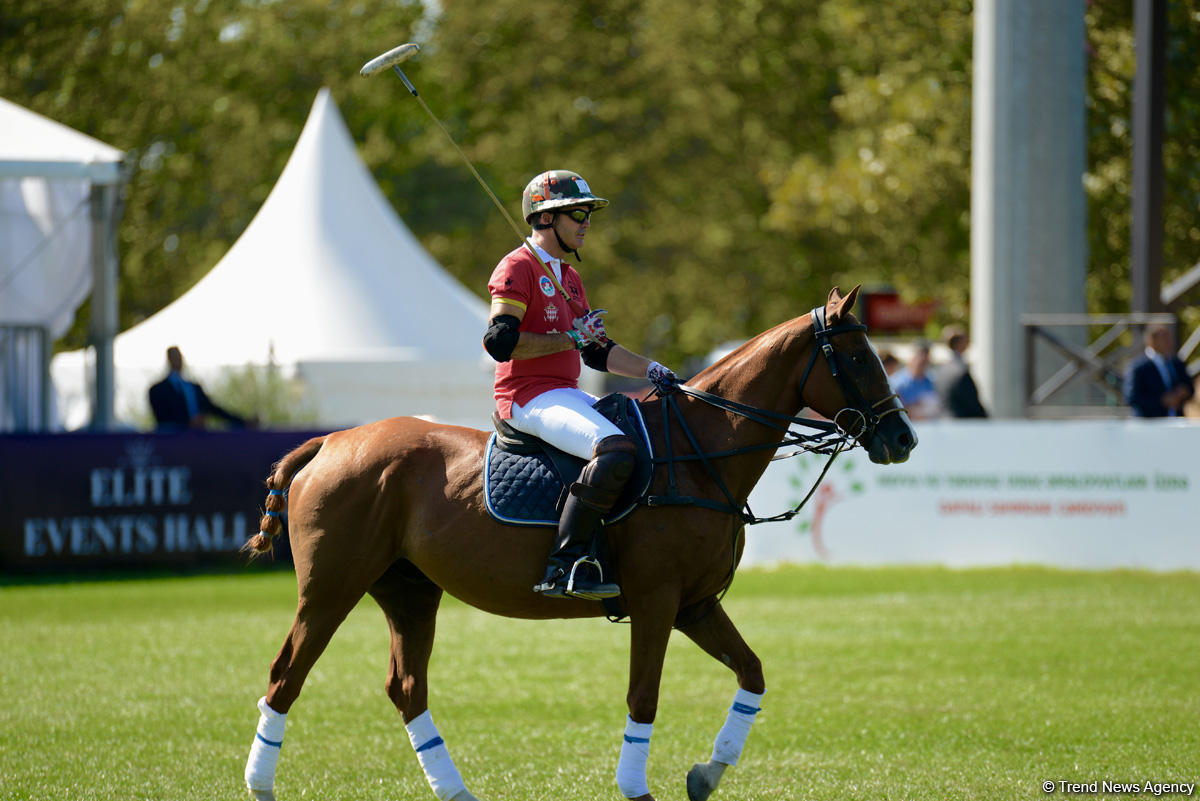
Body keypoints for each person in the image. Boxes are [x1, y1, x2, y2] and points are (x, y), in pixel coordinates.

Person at [483, 169, 677, 600]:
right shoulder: (517, 267)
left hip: (566, 391)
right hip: (525, 397)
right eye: (577, 213)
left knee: (643, 438)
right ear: (545, 218)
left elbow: (596, 351)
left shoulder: (569, 277)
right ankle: (565, 564)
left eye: (589, 213)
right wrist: (569, 338)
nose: (586, 222)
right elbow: (501, 343)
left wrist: (652, 369)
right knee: (615, 449)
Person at [148, 346, 249, 430]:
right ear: (169, 359)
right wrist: (188, 423)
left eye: (180, 357)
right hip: (174, 442)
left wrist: (244, 421)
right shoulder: (157, 390)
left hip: (199, 439)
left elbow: (214, 409)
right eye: (175, 357)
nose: (179, 360)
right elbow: (162, 418)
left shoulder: (194, 387)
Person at [1123, 324, 1194, 418]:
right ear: (1152, 341)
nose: (1170, 342)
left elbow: (1190, 387)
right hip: (1149, 425)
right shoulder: (1139, 367)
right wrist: (1161, 401)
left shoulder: (1177, 364)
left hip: (1176, 424)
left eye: (1170, 338)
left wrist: (1183, 392)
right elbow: (1132, 397)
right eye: (1165, 339)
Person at [934, 326, 988, 418]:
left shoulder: (941, 370)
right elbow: (973, 404)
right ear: (960, 344)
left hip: (945, 421)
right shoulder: (961, 371)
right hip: (963, 423)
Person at [890, 340, 941, 420]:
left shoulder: (932, 380)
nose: (923, 360)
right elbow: (896, 410)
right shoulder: (896, 382)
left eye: (926, 357)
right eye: (920, 356)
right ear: (912, 357)